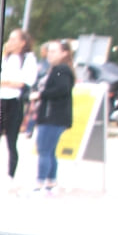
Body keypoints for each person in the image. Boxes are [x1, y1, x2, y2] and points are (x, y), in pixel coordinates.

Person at [33, 39, 74, 194]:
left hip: (53, 116)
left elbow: (62, 89)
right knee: (50, 151)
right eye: (49, 51)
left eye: (54, 51)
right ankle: (50, 182)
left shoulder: (61, 69)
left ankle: (40, 183)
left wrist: (40, 94)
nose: (50, 54)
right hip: (54, 116)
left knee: (44, 149)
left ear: (64, 53)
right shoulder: (58, 69)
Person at [0, 27, 36, 180]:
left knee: (12, 139)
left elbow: (24, 82)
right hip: (1, 100)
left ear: (22, 42)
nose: (10, 42)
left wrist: (7, 82)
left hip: (15, 101)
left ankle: (11, 174)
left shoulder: (27, 59)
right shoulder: (5, 57)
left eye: (14, 39)